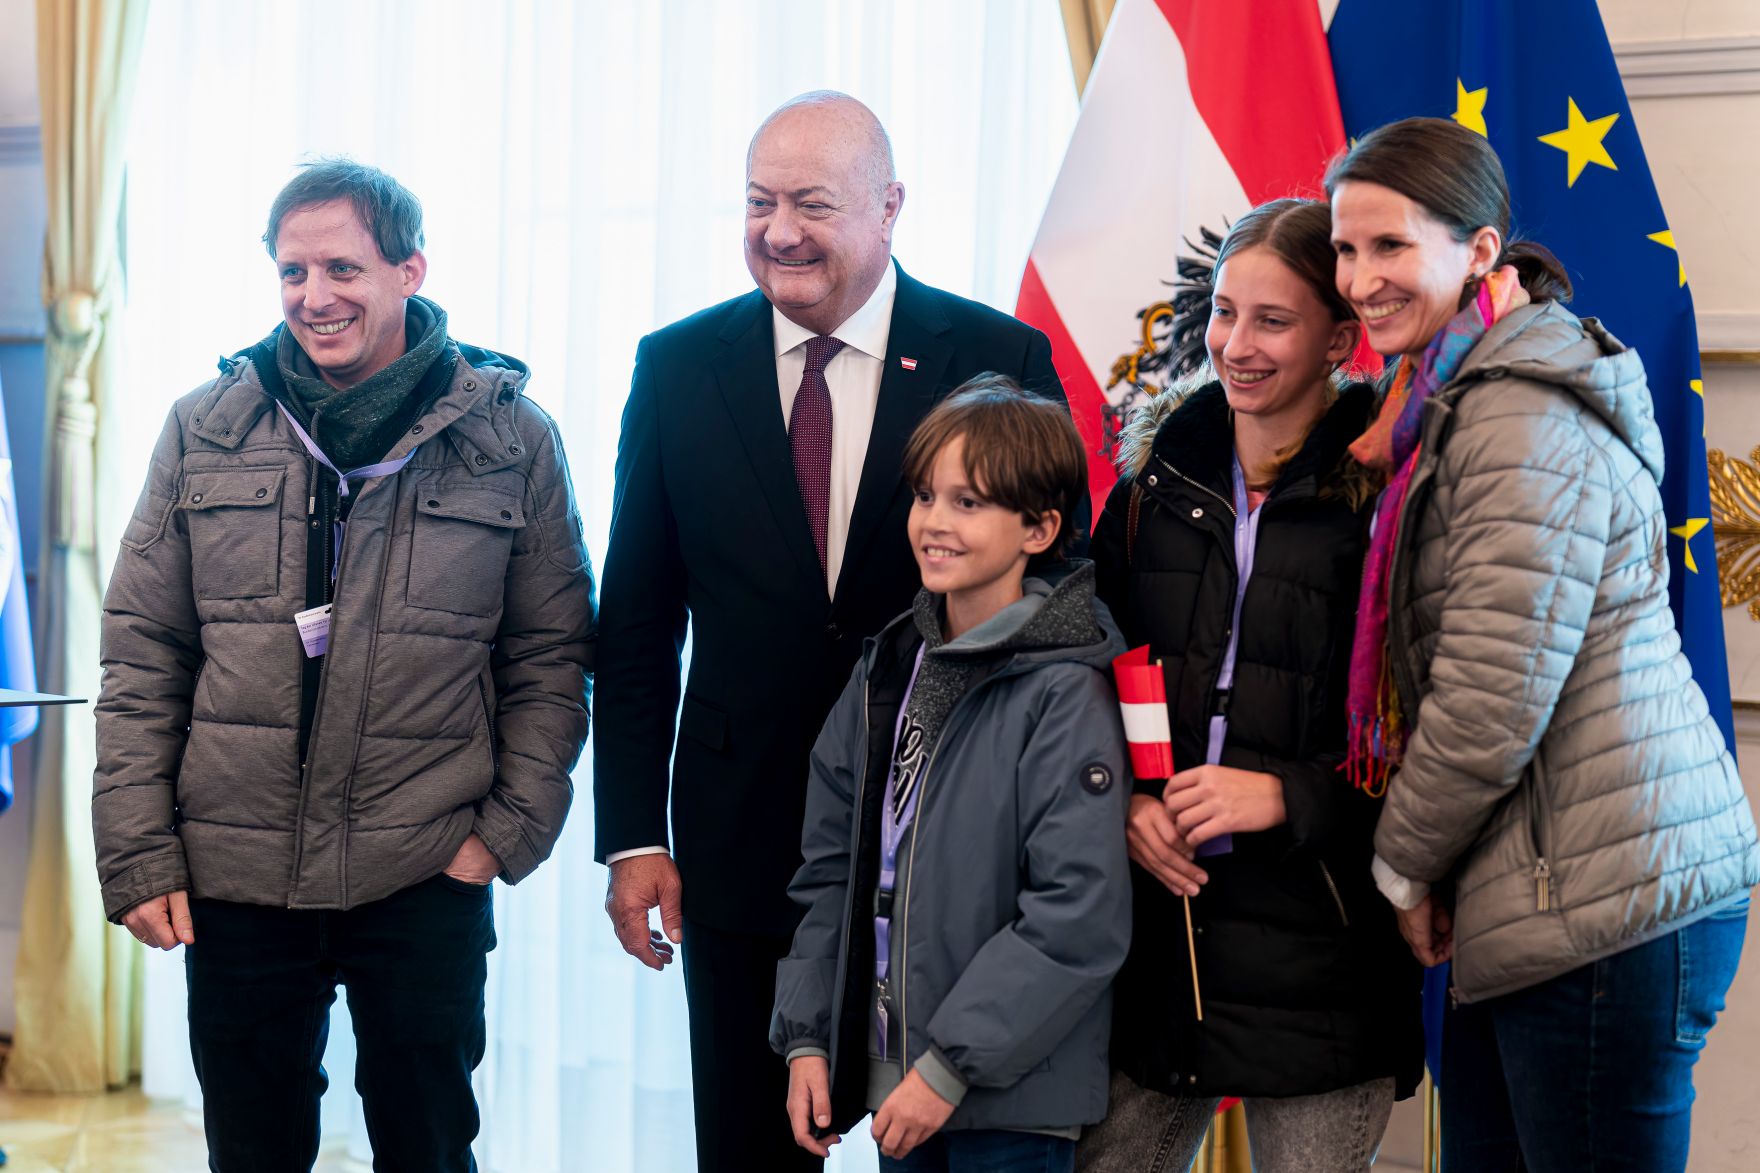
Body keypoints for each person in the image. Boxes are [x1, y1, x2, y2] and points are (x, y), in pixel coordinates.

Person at [593, 91, 1071, 1171]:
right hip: (740, 844)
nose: (779, 231)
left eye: (812, 202)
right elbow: (634, 627)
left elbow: (1057, 601)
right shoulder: (675, 368)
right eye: (758, 202)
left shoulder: (995, 355)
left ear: (890, 205)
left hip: (951, 848)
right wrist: (632, 838)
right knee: (752, 1153)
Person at [93, 160, 596, 1171]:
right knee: (252, 1148)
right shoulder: (205, 427)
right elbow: (143, 650)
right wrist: (139, 851)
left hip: (423, 868)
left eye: (341, 268)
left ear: (410, 270)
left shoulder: (510, 438)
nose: (313, 297)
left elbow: (553, 656)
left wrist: (498, 839)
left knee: (426, 1148)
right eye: (291, 272)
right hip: (234, 876)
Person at [1327, 116, 1759, 1172]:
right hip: (1547, 889)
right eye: (1344, 248)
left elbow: (1488, 697)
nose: (1358, 278)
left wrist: (1398, 871)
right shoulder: (1455, 393)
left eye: (1390, 246)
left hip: (1603, 901)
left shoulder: (1514, 411)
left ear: (1479, 252)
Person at [1079, 199, 1423, 1172]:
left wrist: (1283, 794)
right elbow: (1077, 673)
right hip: (1156, 941)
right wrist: (1124, 801)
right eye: (1224, 312)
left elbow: (1437, 734)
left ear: (1339, 340)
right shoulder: (1150, 480)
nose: (1234, 343)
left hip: (1324, 949)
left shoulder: (1388, 495)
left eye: (1271, 320)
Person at [771, 377, 1130, 1173]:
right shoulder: (888, 667)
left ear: (1039, 528)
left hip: (1006, 1104)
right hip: (901, 1087)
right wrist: (807, 1036)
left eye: (968, 503)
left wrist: (949, 1066)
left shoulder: (1065, 689)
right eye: (927, 495)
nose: (933, 522)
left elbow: (1076, 916)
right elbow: (832, 872)